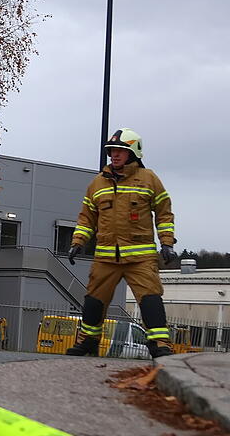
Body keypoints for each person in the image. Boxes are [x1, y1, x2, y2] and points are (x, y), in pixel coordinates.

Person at [66, 128, 177, 359]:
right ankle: (88, 340)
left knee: (150, 299)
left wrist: (167, 243)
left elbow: (164, 213)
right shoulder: (97, 184)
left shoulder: (149, 179)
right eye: (112, 151)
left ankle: (160, 344)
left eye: (120, 150)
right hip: (106, 257)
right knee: (94, 300)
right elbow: (86, 218)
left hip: (141, 258)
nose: (114, 155)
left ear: (133, 153)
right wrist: (78, 241)